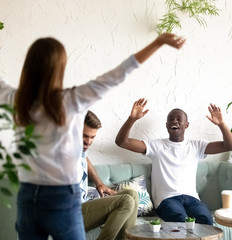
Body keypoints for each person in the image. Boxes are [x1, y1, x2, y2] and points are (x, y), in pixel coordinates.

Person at [0, 33, 185, 240]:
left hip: (27, 198)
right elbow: (119, 74)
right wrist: (158, 42)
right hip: (61, 198)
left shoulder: (17, 100)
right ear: (59, 68)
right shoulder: (71, 100)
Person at [115, 98, 232, 225]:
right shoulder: (156, 146)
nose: (174, 121)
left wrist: (221, 124)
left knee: (206, 220)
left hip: (192, 199)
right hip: (166, 200)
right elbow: (122, 142)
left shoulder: (197, 146)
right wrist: (132, 119)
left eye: (179, 119)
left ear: (186, 125)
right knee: (180, 221)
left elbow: (229, 145)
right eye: (171, 119)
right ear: (167, 125)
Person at [81, 110, 138, 240]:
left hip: (81, 206)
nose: (88, 142)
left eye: (92, 137)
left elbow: (85, 159)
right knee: (126, 201)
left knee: (132, 195)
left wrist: (100, 183)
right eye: (84, 136)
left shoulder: (79, 149)